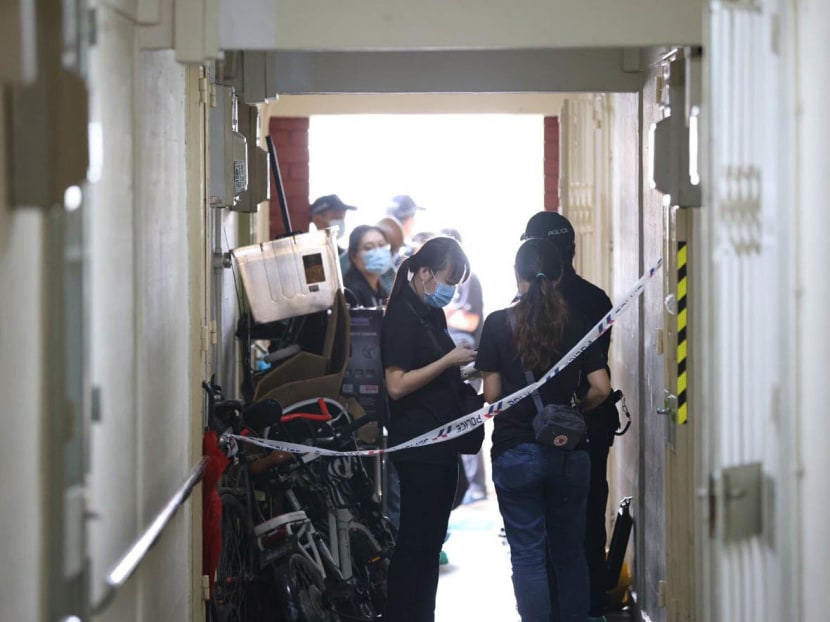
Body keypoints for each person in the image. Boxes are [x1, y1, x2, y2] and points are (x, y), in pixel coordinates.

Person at [475, 237, 611, 622]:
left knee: (528, 555)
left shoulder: (499, 323)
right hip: (569, 453)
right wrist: (571, 411)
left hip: (515, 452)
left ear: (516, 275)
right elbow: (601, 388)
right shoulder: (579, 323)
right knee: (570, 554)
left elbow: (493, 395)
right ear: (560, 274)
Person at [522, 211, 617, 620]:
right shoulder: (597, 300)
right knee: (589, 518)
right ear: (571, 252)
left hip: (538, 429)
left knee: (541, 526)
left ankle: (548, 609)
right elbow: (597, 379)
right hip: (588, 424)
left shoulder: (518, 312)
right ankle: (590, 607)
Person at [380, 236, 476, 622]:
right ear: (423, 273)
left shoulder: (429, 314)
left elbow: (435, 370)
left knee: (432, 539)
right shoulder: (402, 316)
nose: (450, 290)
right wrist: (449, 361)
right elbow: (397, 385)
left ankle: (423, 614)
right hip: (418, 444)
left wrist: (464, 370)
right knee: (416, 540)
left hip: (441, 442)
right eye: (447, 279)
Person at [440, 227, 487, 505]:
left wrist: (443, 312)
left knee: (468, 420)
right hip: (451, 361)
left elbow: (469, 321)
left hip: (467, 361)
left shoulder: (468, 280)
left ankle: (475, 486)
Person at [342, 225, 393, 308]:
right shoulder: (350, 292)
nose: (378, 253)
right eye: (369, 248)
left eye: (382, 245)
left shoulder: (380, 287)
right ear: (354, 256)